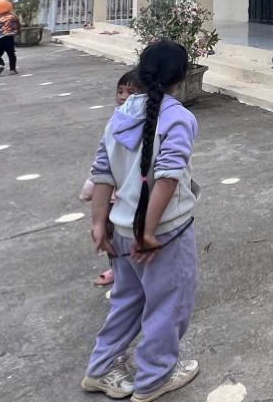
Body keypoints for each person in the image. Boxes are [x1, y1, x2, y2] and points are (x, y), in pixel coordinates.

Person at [82, 40, 200, 401]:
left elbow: (102, 171)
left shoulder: (121, 114)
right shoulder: (178, 117)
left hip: (119, 230)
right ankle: (154, 377)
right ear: (181, 76)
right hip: (163, 235)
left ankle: (101, 368)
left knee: (127, 302)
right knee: (169, 305)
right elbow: (168, 176)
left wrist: (99, 222)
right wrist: (147, 232)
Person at [81, 69, 140, 288]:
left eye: (131, 92)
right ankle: (116, 267)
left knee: (131, 233)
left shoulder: (149, 121)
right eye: (120, 91)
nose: (123, 96)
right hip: (111, 193)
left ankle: (130, 267)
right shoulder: (115, 120)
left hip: (129, 192)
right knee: (109, 233)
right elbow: (103, 160)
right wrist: (93, 182)